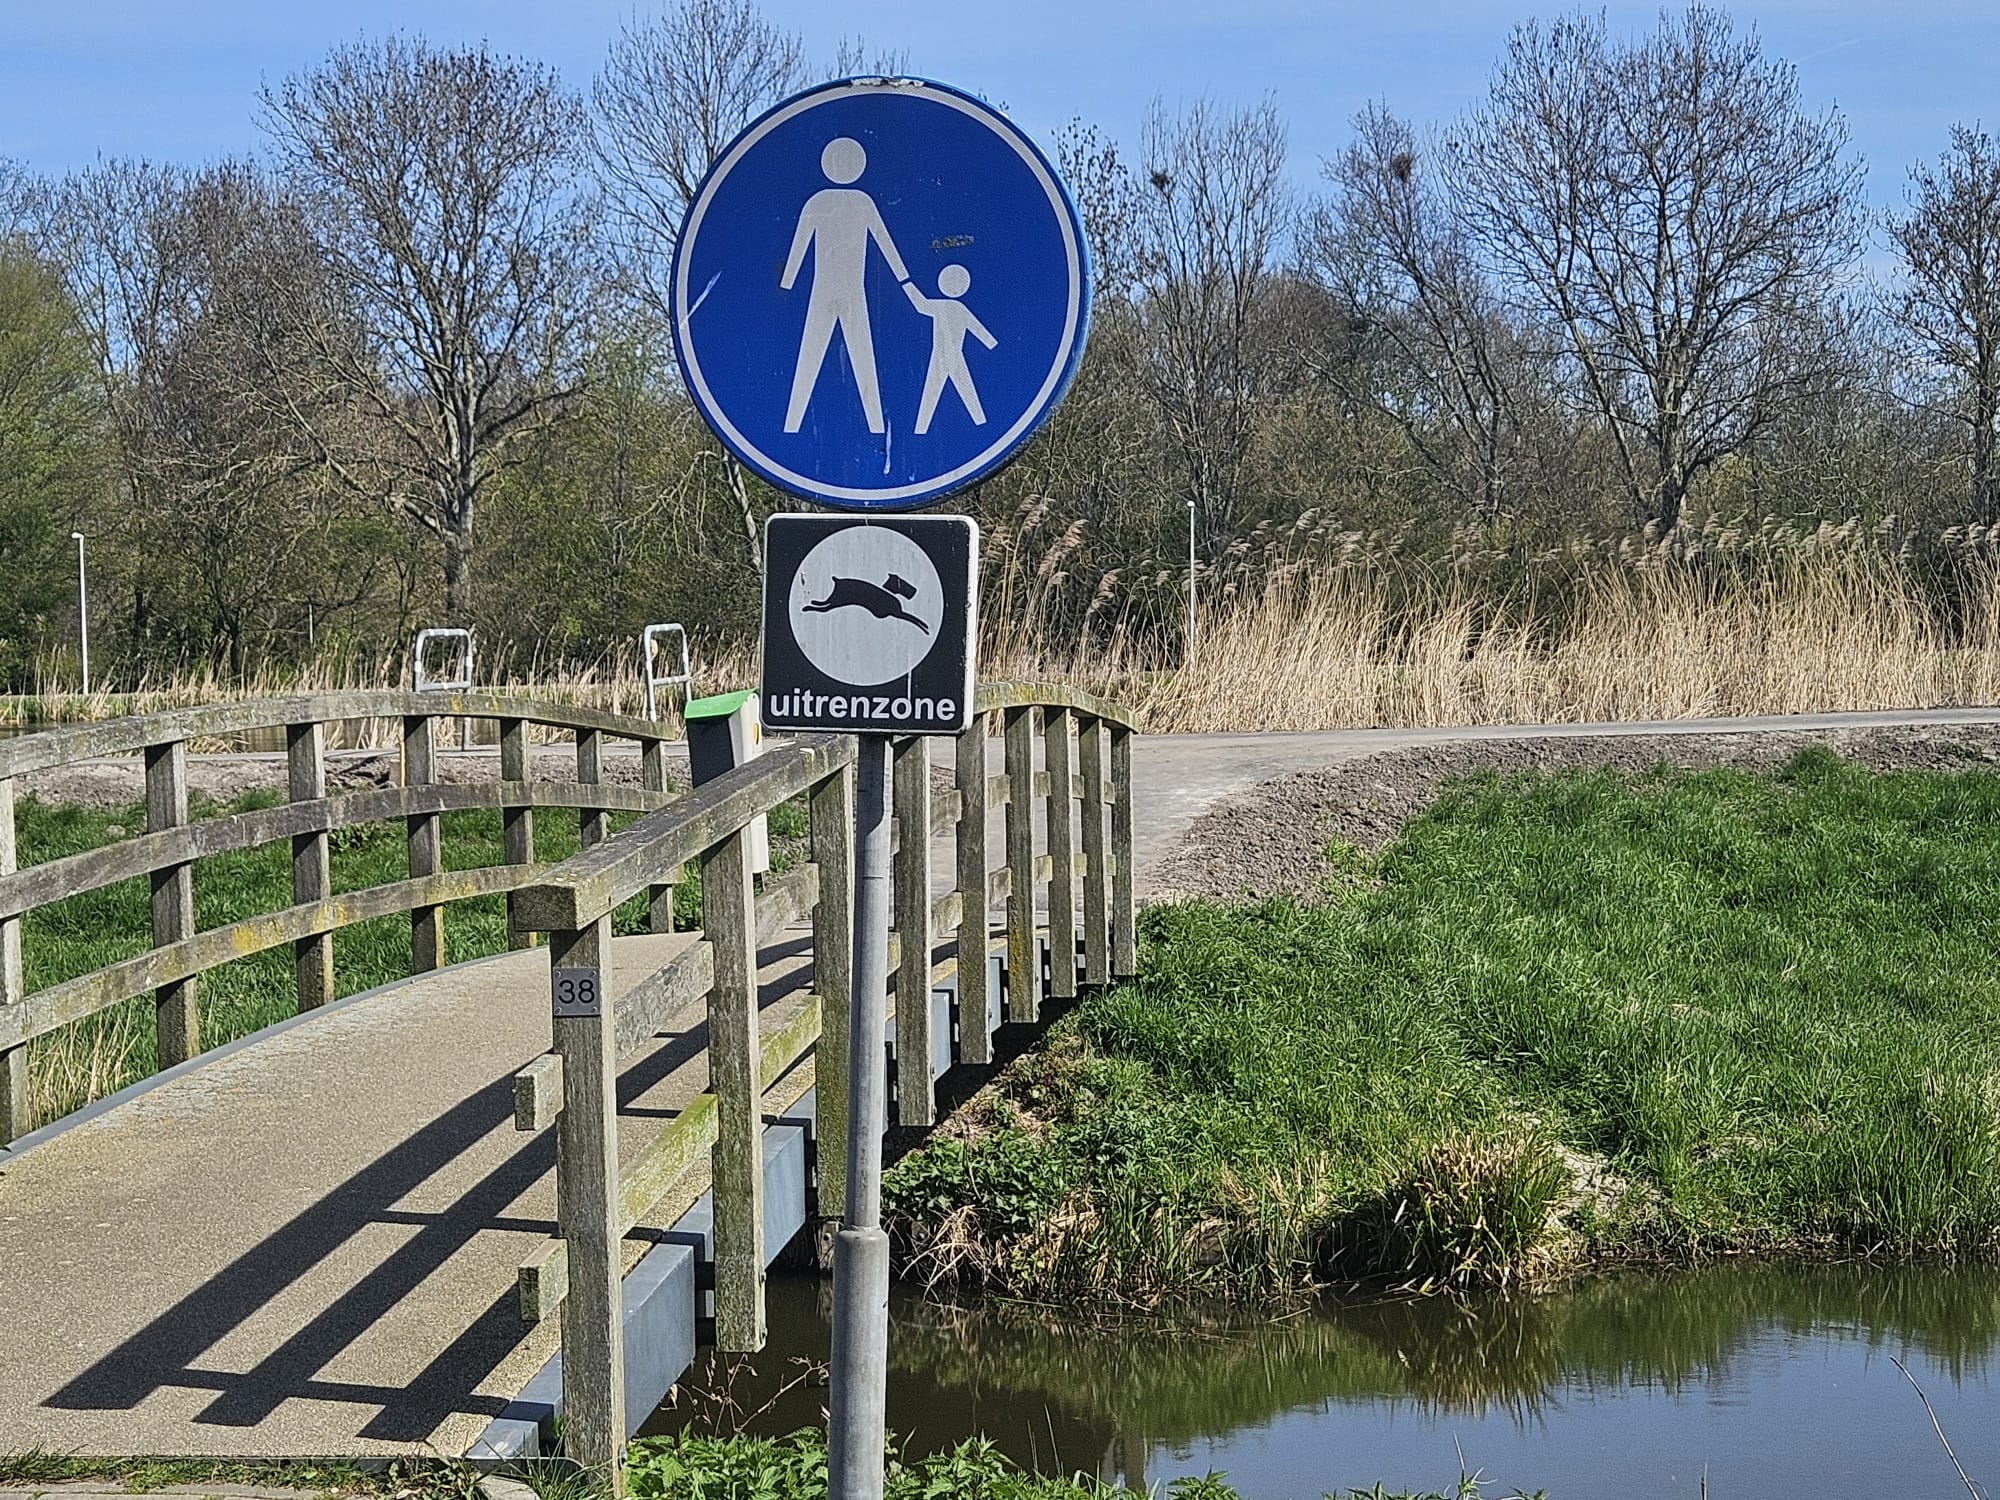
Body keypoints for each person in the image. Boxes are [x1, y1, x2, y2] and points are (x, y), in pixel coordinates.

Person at [780, 137, 911, 435]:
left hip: (836, 290)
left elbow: (883, 242)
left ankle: (795, 424)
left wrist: (786, 285)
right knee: (851, 353)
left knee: (834, 352)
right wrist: (904, 280)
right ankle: (873, 427)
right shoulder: (856, 202)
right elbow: (886, 245)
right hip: (844, 290)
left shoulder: (821, 202)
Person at [902, 264, 998, 435]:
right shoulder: (960, 308)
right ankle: (979, 423)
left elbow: (920, 304)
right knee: (953, 389)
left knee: (936, 390)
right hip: (948, 354)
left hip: (946, 355)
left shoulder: (943, 307)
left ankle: (921, 429)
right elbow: (978, 330)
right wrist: (990, 344)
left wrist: (906, 284)